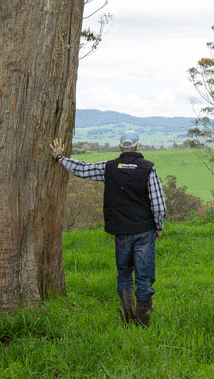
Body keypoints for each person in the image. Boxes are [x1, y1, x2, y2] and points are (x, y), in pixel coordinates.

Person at [51, 130, 165, 326]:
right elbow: (158, 203)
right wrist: (159, 226)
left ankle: (129, 319)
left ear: (121, 146)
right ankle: (144, 321)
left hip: (121, 231)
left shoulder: (109, 167)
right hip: (144, 230)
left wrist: (60, 158)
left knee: (124, 274)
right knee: (144, 276)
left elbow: (82, 169)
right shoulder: (148, 168)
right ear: (138, 146)